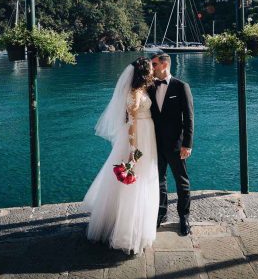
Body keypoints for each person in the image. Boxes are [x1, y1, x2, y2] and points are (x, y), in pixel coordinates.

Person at [82, 57, 159, 254]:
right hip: (138, 137)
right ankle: (127, 233)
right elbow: (132, 122)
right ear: (143, 71)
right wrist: (134, 151)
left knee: (145, 179)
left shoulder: (142, 90)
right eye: (150, 67)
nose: (152, 70)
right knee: (135, 182)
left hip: (147, 133)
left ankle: (138, 224)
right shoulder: (134, 94)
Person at [148, 53, 195, 236]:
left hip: (176, 144)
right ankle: (161, 213)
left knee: (181, 181)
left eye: (154, 64)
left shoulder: (181, 86)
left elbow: (189, 118)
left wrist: (187, 144)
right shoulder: (150, 87)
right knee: (159, 181)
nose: (151, 67)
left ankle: (184, 217)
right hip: (155, 144)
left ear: (164, 64)